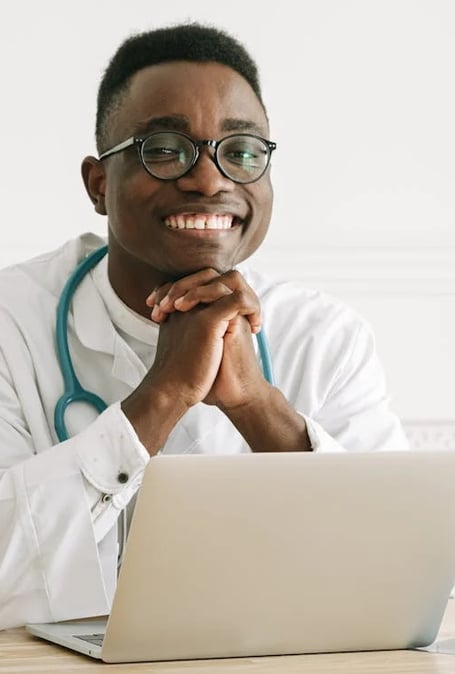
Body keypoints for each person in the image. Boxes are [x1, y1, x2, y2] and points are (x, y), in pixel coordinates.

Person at [0, 22, 408, 630]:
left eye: (242, 152)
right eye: (163, 149)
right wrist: (162, 397)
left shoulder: (323, 336)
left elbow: (402, 571)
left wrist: (258, 406)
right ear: (98, 184)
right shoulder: (13, 322)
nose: (211, 180)